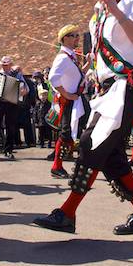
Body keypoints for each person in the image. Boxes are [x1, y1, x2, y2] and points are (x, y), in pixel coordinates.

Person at [34, 0, 133, 235]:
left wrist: (117, 11)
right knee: (112, 156)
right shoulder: (97, 13)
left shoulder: (130, 3)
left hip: (127, 87)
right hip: (106, 90)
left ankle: (67, 212)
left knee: (91, 143)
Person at [47, 24, 87, 179]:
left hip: (76, 100)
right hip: (68, 102)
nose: (78, 38)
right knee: (66, 134)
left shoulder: (71, 56)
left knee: (78, 133)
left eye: (77, 35)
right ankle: (56, 166)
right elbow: (53, 78)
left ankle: (80, 164)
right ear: (65, 39)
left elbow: (76, 76)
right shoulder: (63, 57)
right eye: (74, 35)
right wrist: (67, 94)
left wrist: (88, 64)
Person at [0, 56, 28, 159]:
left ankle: (8, 150)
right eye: (2, 65)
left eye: (6, 65)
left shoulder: (17, 75)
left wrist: (23, 91)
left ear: (10, 65)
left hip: (12, 103)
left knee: (11, 127)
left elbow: (26, 88)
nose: (4, 67)